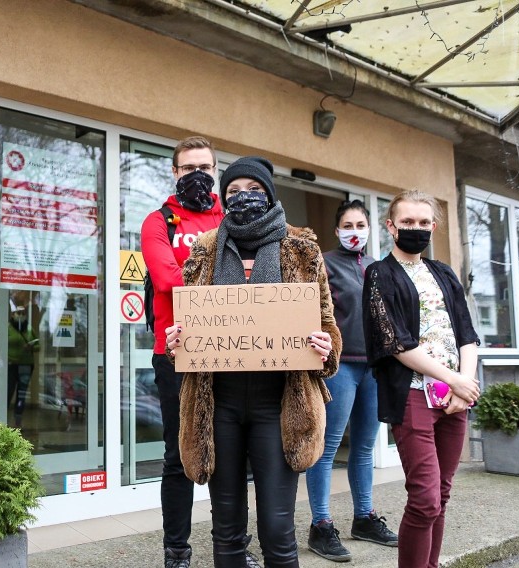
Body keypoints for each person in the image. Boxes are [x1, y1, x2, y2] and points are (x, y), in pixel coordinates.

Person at [165, 156, 342, 568]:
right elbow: (191, 322)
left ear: (270, 194)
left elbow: (330, 325)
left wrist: (324, 346)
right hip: (218, 404)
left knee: (278, 528)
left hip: (279, 404)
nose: (244, 198)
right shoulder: (204, 249)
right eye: (233, 192)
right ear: (223, 200)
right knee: (226, 528)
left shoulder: (302, 248)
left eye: (254, 190)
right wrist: (180, 341)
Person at [362, 190, 481, 568]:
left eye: (423, 222)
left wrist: (465, 384)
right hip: (412, 394)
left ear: (433, 225)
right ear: (391, 226)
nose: (416, 229)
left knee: (441, 496)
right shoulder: (379, 273)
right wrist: (456, 380)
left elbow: (467, 334)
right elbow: (394, 342)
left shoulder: (444, 272)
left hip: (454, 396)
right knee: (425, 498)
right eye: (407, 222)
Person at [140, 135, 224, 568]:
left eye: (204, 168)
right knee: (180, 455)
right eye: (188, 168)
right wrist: (226, 283)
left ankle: (232, 545)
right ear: (175, 174)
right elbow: (167, 279)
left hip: (231, 350)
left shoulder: (229, 217)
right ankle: (177, 551)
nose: (197, 175)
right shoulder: (159, 222)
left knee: (228, 454)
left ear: (215, 171)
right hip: (174, 353)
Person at [306, 200, 398, 562]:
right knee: (326, 448)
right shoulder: (324, 264)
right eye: (348, 225)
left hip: (375, 368)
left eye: (361, 225)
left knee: (363, 448)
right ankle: (321, 525)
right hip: (340, 367)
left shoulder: (380, 268)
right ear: (337, 229)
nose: (354, 231)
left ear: (370, 229)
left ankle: (364, 518)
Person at [7, 305, 38, 428]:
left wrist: (31, 347)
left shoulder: (29, 329)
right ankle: (1, 417)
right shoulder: (7, 328)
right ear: (12, 315)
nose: (20, 316)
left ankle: (18, 420)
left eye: (22, 313)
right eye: (17, 313)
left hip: (26, 364)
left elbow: (38, 345)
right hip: (11, 365)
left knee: (22, 393)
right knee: (8, 390)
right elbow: (0, 343)